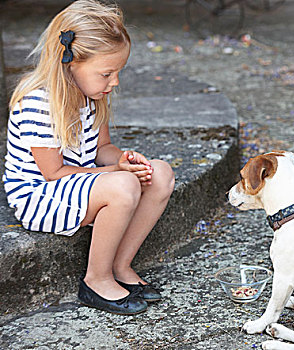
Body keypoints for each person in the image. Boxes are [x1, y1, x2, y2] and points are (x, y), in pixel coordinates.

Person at [3, 0, 175, 315]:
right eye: (106, 73)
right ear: (70, 63)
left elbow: (102, 148)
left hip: (76, 184)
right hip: (39, 193)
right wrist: (116, 172)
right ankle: (96, 279)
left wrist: (127, 160)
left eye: (118, 72)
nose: (115, 82)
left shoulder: (92, 94)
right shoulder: (39, 102)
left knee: (160, 173)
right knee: (123, 185)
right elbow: (53, 173)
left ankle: (122, 265)